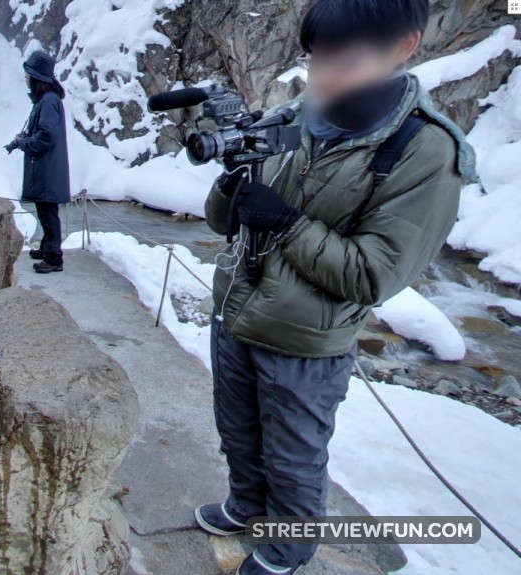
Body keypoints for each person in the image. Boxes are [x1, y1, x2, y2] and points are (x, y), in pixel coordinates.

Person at [195, 1, 477, 574]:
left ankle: (287, 548)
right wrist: (234, 182)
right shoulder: (302, 113)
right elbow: (222, 222)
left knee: (294, 457)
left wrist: (287, 223)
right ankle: (248, 507)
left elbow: (375, 275)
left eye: (345, 61)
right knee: (237, 430)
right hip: (238, 312)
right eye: (317, 58)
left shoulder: (425, 151)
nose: (323, 77)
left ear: (405, 47)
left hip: (305, 342)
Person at [6, 50, 70, 274]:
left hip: (47, 170)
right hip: (47, 169)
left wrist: (24, 143)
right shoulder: (47, 100)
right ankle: (46, 249)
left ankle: (54, 259)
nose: (26, 78)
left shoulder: (48, 102)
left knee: (48, 213)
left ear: (37, 78)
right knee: (45, 211)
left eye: (28, 74)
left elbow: (46, 136)